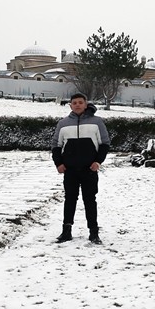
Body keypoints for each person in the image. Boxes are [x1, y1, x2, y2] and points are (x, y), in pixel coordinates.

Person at [51, 93, 110, 244]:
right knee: (70, 199)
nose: (77, 105)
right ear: (70, 105)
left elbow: (104, 143)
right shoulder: (63, 124)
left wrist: (98, 161)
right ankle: (66, 231)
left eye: (80, 102)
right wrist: (58, 163)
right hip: (70, 170)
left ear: (85, 104)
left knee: (90, 200)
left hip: (89, 169)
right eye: (74, 103)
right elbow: (56, 145)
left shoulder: (97, 122)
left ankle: (94, 232)